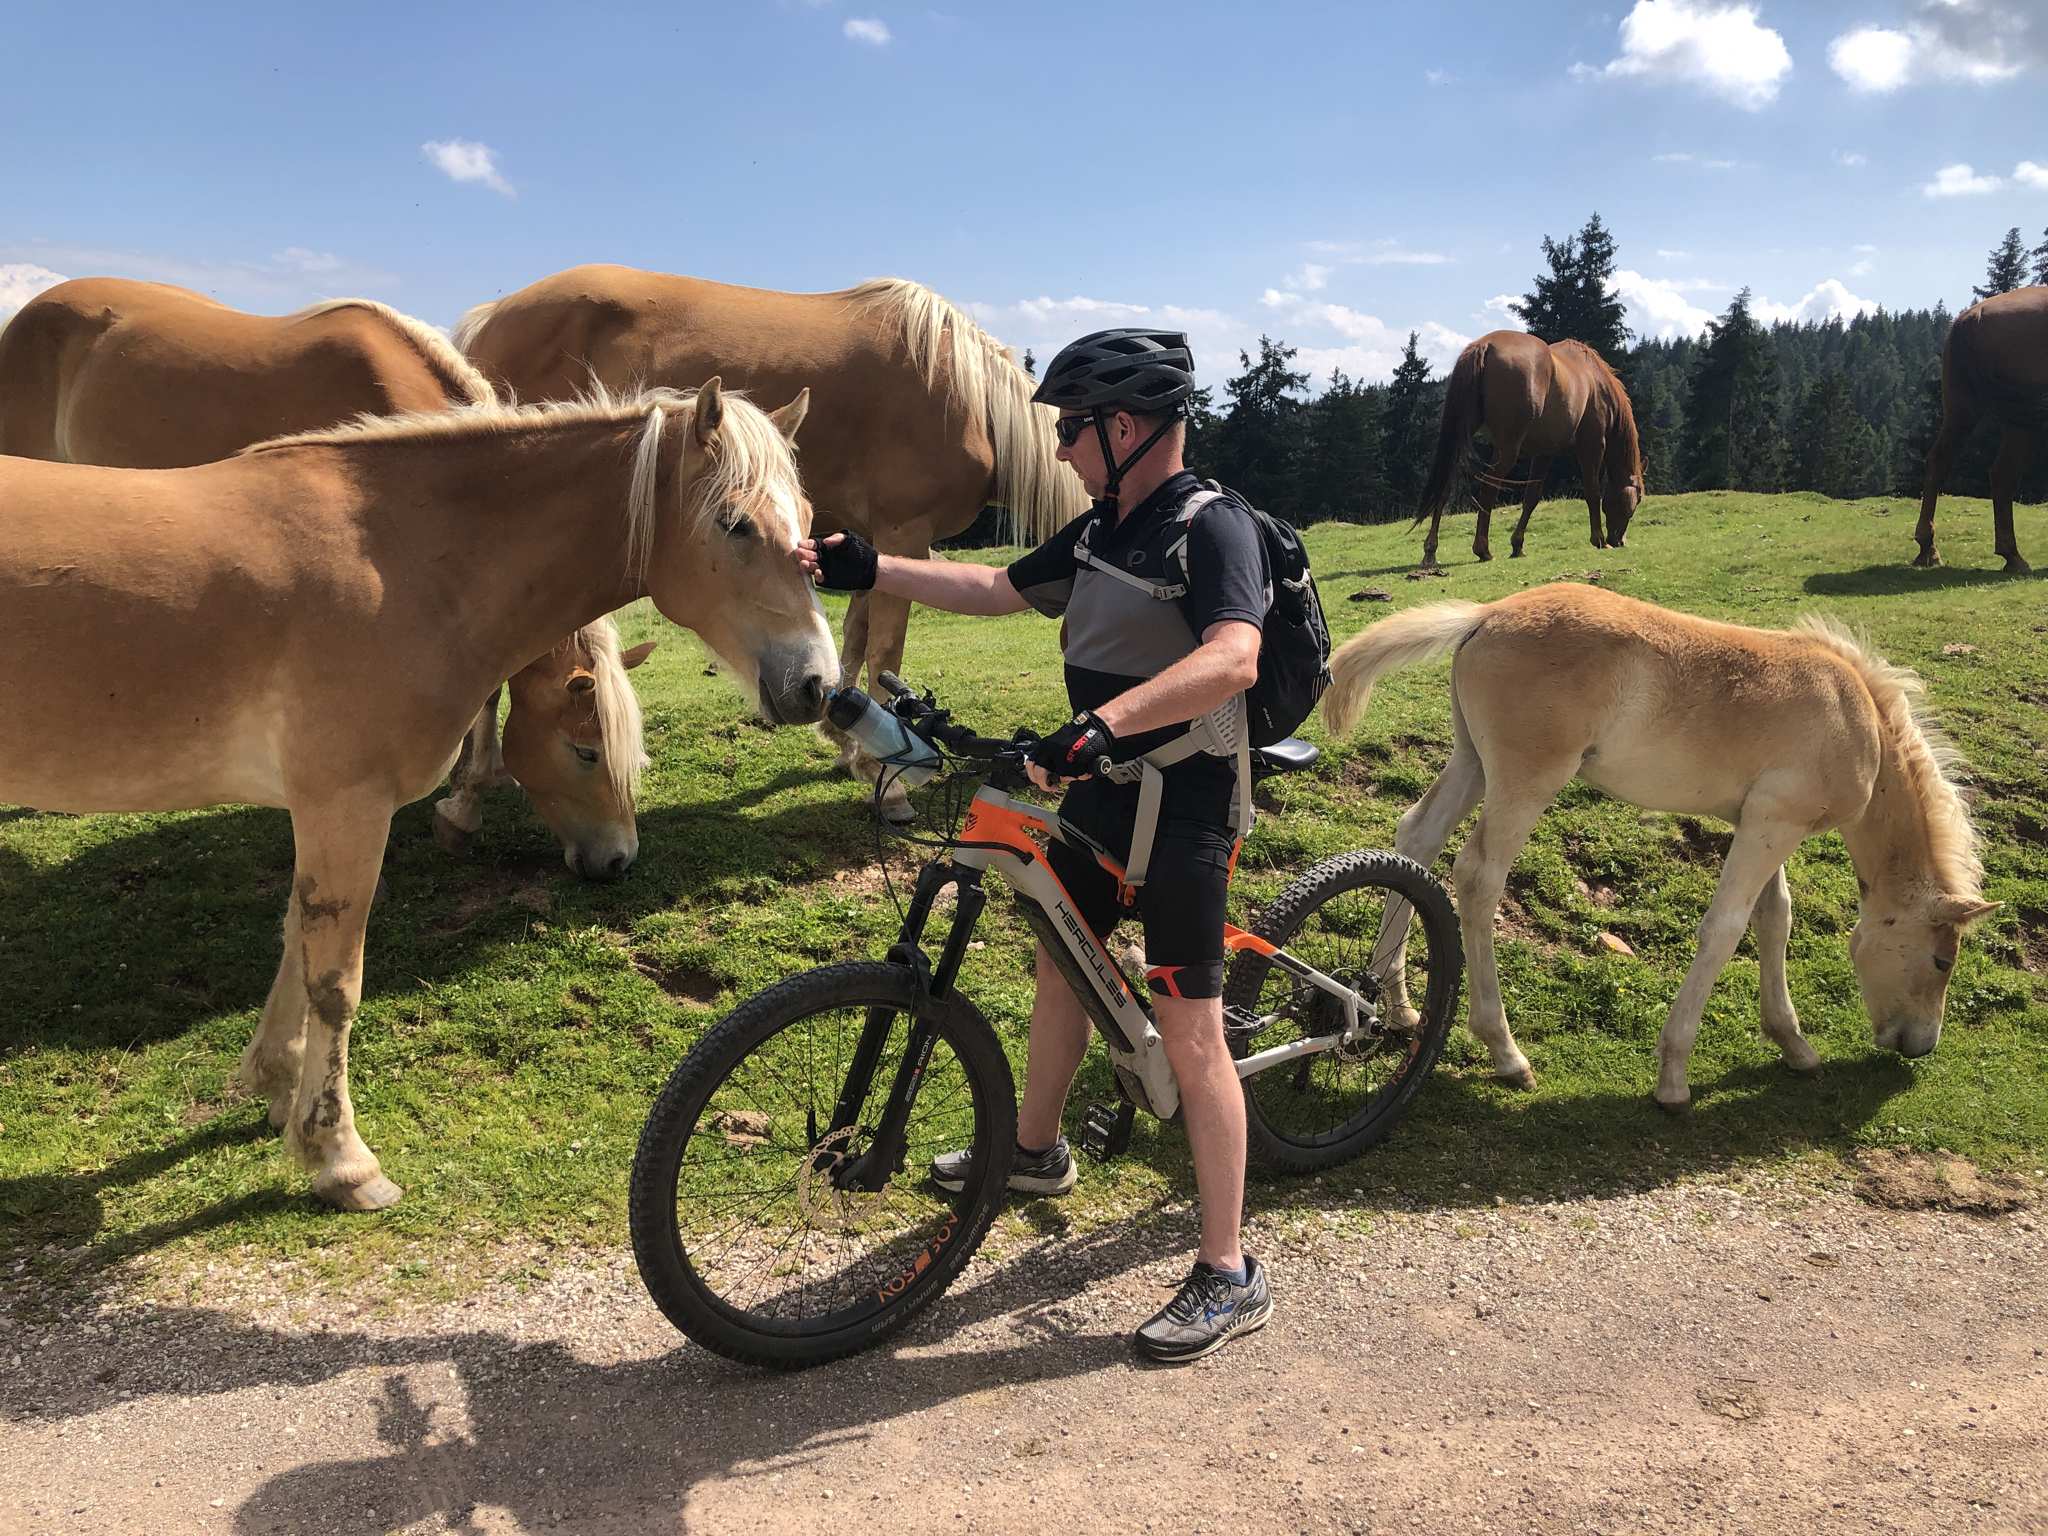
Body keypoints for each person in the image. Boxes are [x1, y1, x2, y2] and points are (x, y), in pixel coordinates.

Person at [792, 329, 1273, 1363]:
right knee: (1064, 964)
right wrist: (872, 565)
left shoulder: (1213, 526)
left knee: (1190, 1029)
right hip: (1099, 793)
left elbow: (1235, 657)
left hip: (1185, 803)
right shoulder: (1103, 528)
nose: (1056, 449)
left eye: (1071, 429)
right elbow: (997, 589)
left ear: (1125, 427)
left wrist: (1105, 723)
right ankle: (1035, 1151)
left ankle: (1228, 1271)